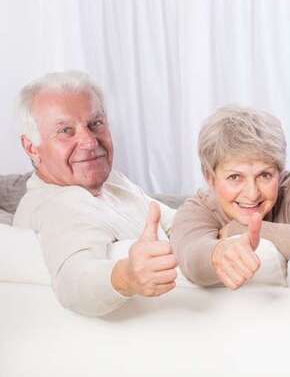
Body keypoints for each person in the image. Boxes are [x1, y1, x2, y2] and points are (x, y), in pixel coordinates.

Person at [13, 71, 177, 317]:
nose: (90, 142)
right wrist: (128, 276)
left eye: (95, 124)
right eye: (65, 131)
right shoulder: (58, 205)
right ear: (31, 148)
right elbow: (73, 281)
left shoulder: (112, 182)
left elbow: (175, 223)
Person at [170, 106, 290, 290]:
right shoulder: (198, 208)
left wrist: (235, 230)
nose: (252, 194)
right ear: (210, 177)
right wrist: (219, 252)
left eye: (265, 175)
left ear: (279, 173)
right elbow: (192, 259)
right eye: (235, 177)